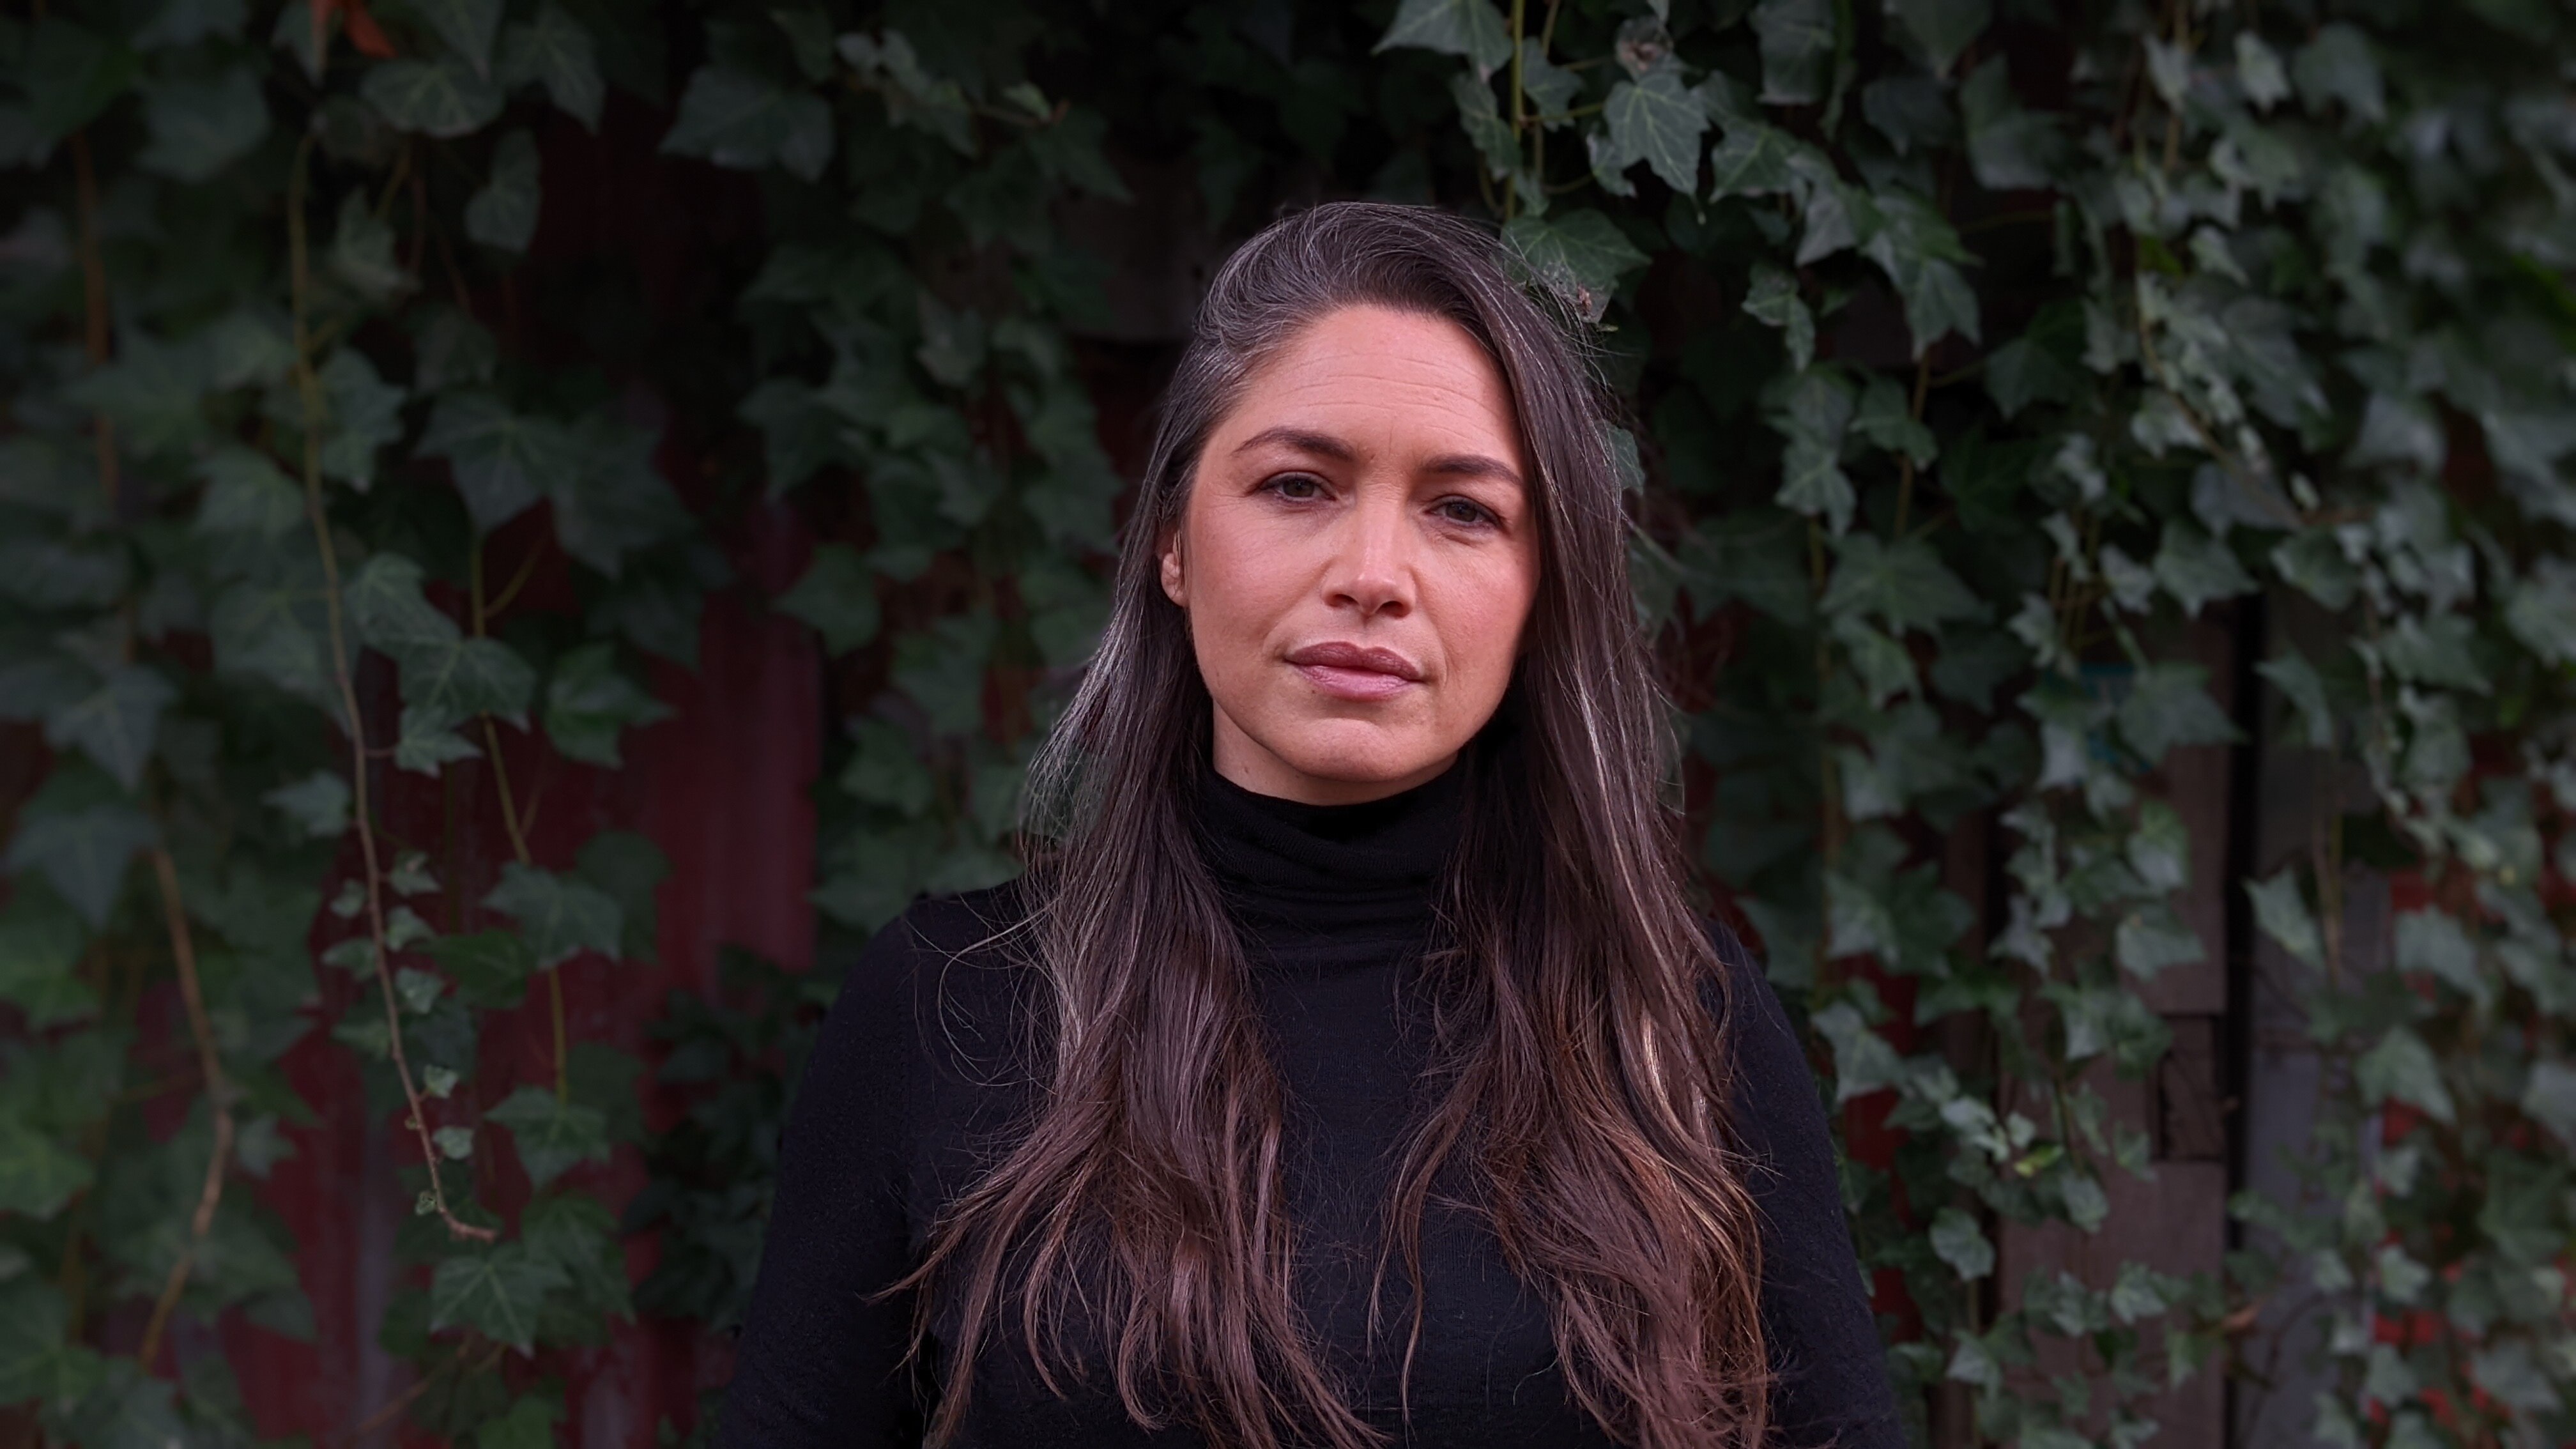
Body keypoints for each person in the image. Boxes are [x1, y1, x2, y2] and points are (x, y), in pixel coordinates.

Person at [721, 202, 1901, 1449]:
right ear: (1173, 540)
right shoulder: (948, 1007)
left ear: (1539, 586)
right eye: (1298, 485)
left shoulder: (1675, 1028)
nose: (1374, 571)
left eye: (1462, 510)